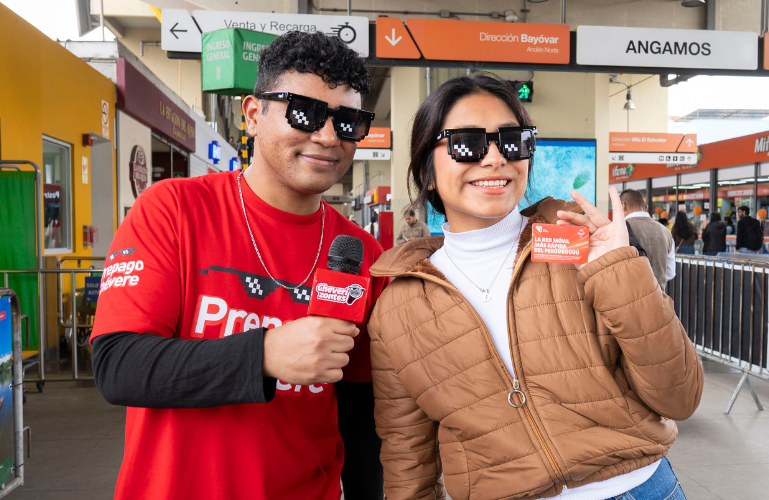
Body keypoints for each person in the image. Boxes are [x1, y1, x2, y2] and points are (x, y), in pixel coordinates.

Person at [367, 74, 702, 500]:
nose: (494, 158)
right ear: (427, 171)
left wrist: (620, 270)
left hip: (640, 488)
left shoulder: (582, 245)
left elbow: (681, 397)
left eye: (512, 140)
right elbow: (406, 456)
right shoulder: (398, 306)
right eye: (466, 142)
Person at [90, 32, 386, 500]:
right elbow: (118, 365)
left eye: (348, 121)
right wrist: (264, 355)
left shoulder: (364, 254)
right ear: (252, 114)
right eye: (304, 112)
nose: (328, 136)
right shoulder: (173, 210)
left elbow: (359, 416)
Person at [620, 189, 675, 290]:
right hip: (659, 300)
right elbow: (670, 273)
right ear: (646, 208)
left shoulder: (619, 230)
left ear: (622, 205)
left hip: (628, 300)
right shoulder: (666, 231)